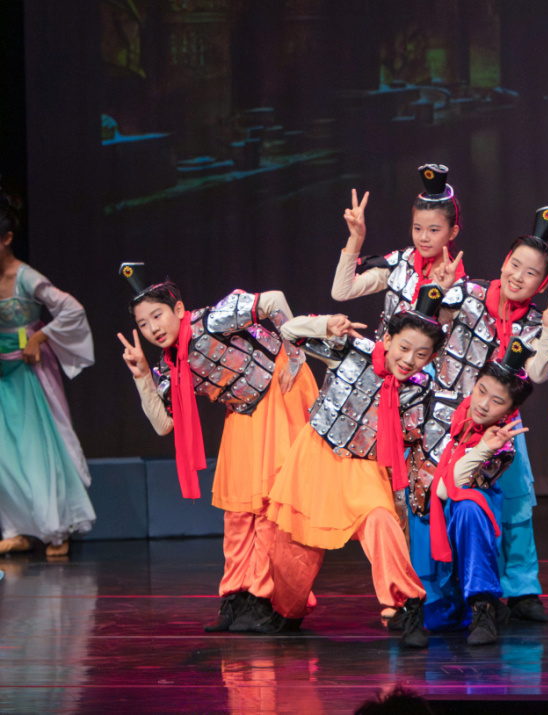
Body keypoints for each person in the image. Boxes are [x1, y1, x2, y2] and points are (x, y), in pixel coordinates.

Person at [117, 263, 318, 632]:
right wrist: (143, 375)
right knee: (237, 510)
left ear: (179, 310)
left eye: (157, 316)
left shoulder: (213, 320)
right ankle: (237, 597)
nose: (153, 329)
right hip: (244, 409)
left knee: (270, 507)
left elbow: (274, 300)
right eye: (143, 324)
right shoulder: (170, 363)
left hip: (280, 389)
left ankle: (265, 598)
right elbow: (164, 425)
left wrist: (296, 355)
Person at [406, 206, 548, 626]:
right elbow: (427, 326)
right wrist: (436, 291)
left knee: (515, 508)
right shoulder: (468, 295)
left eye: (531, 273)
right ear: (504, 261)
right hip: (447, 423)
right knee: (435, 504)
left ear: (542, 283)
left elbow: (538, 373)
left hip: (501, 427)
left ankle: (522, 591)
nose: (518, 276)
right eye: (515, 264)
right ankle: (445, 594)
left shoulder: (536, 323)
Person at [265, 285, 447, 648]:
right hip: (316, 455)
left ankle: (409, 605)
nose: (409, 360)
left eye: (421, 354)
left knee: (382, 524)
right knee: (295, 542)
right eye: (404, 348)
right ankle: (287, 611)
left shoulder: (421, 388)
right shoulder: (352, 350)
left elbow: (417, 439)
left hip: (364, 466)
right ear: (388, 338)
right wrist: (326, 324)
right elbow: (289, 331)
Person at [0, 181, 95, 556]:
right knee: (5, 457)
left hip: (26, 371)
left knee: (36, 451)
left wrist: (39, 338)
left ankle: (57, 529)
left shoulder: (26, 277)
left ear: (7, 238)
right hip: (1, 374)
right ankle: (19, 527)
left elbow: (71, 309)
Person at [422, 337, 534, 645]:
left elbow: (449, 488)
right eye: (481, 391)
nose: (483, 404)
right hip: (426, 511)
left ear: (510, 411)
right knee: (437, 620)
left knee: (469, 506)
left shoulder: (502, 446)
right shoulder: (447, 414)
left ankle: (483, 606)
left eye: (497, 401)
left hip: (465, 517)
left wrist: (484, 447)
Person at [331, 164, 466, 336]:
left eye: (433, 230)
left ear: (453, 232)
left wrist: (440, 289)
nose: (423, 237)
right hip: (384, 352)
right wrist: (356, 238)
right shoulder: (401, 263)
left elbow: (415, 337)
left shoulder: (458, 287)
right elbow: (341, 292)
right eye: (417, 228)